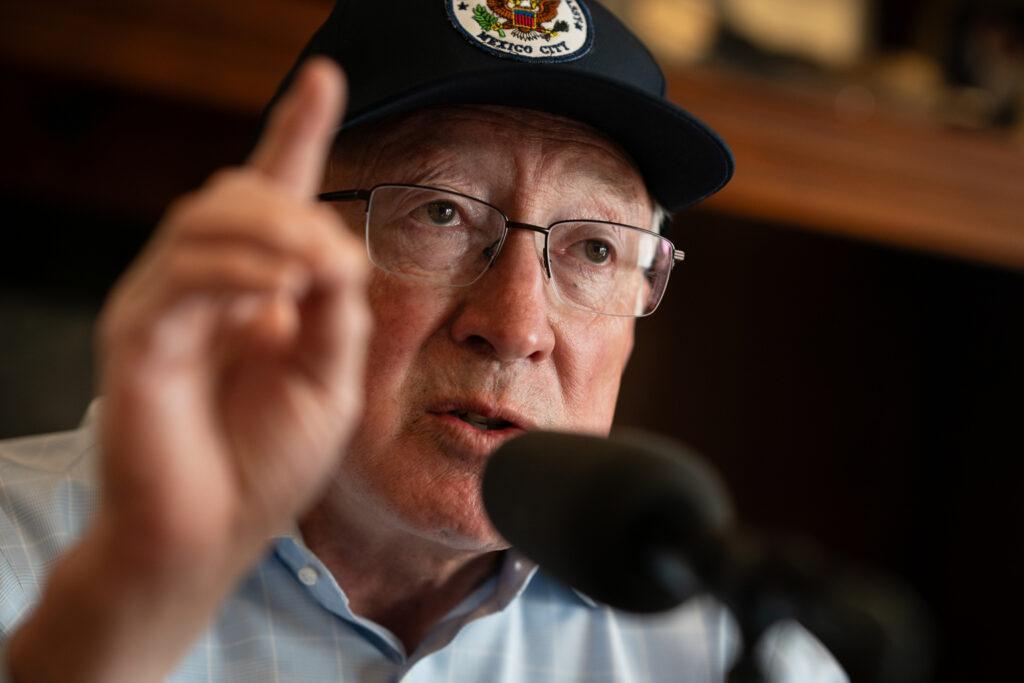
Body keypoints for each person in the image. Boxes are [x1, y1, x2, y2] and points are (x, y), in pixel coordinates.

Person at [0, 2, 844, 681]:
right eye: (438, 212)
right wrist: (123, 600)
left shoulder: (734, 652)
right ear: (278, 253)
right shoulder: (17, 553)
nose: (515, 326)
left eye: (593, 248)